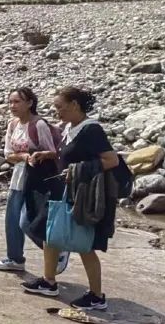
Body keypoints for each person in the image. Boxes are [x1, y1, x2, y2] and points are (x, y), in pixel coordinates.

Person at [21, 87, 119, 310]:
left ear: (74, 104)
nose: (56, 112)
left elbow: (111, 160)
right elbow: (66, 154)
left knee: (85, 244)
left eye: (59, 107)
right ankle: (49, 281)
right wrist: (48, 156)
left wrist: (78, 170)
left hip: (83, 195)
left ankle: (96, 296)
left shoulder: (91, 129)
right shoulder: (70, 128)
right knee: (49, 232)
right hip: (65, 191)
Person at [0, 87, 58, 272]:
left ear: (30, 103)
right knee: (12, 219)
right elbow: (7, 154)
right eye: (10, 102)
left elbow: (53, 153)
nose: (12, 106)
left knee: (28, 221)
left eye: (17, 102)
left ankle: (56, 251)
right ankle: (15, 258)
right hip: (18, 176)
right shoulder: (13, 124)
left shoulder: (38, 125)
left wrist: (37, 156)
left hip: (37, 179)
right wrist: (23, 157)